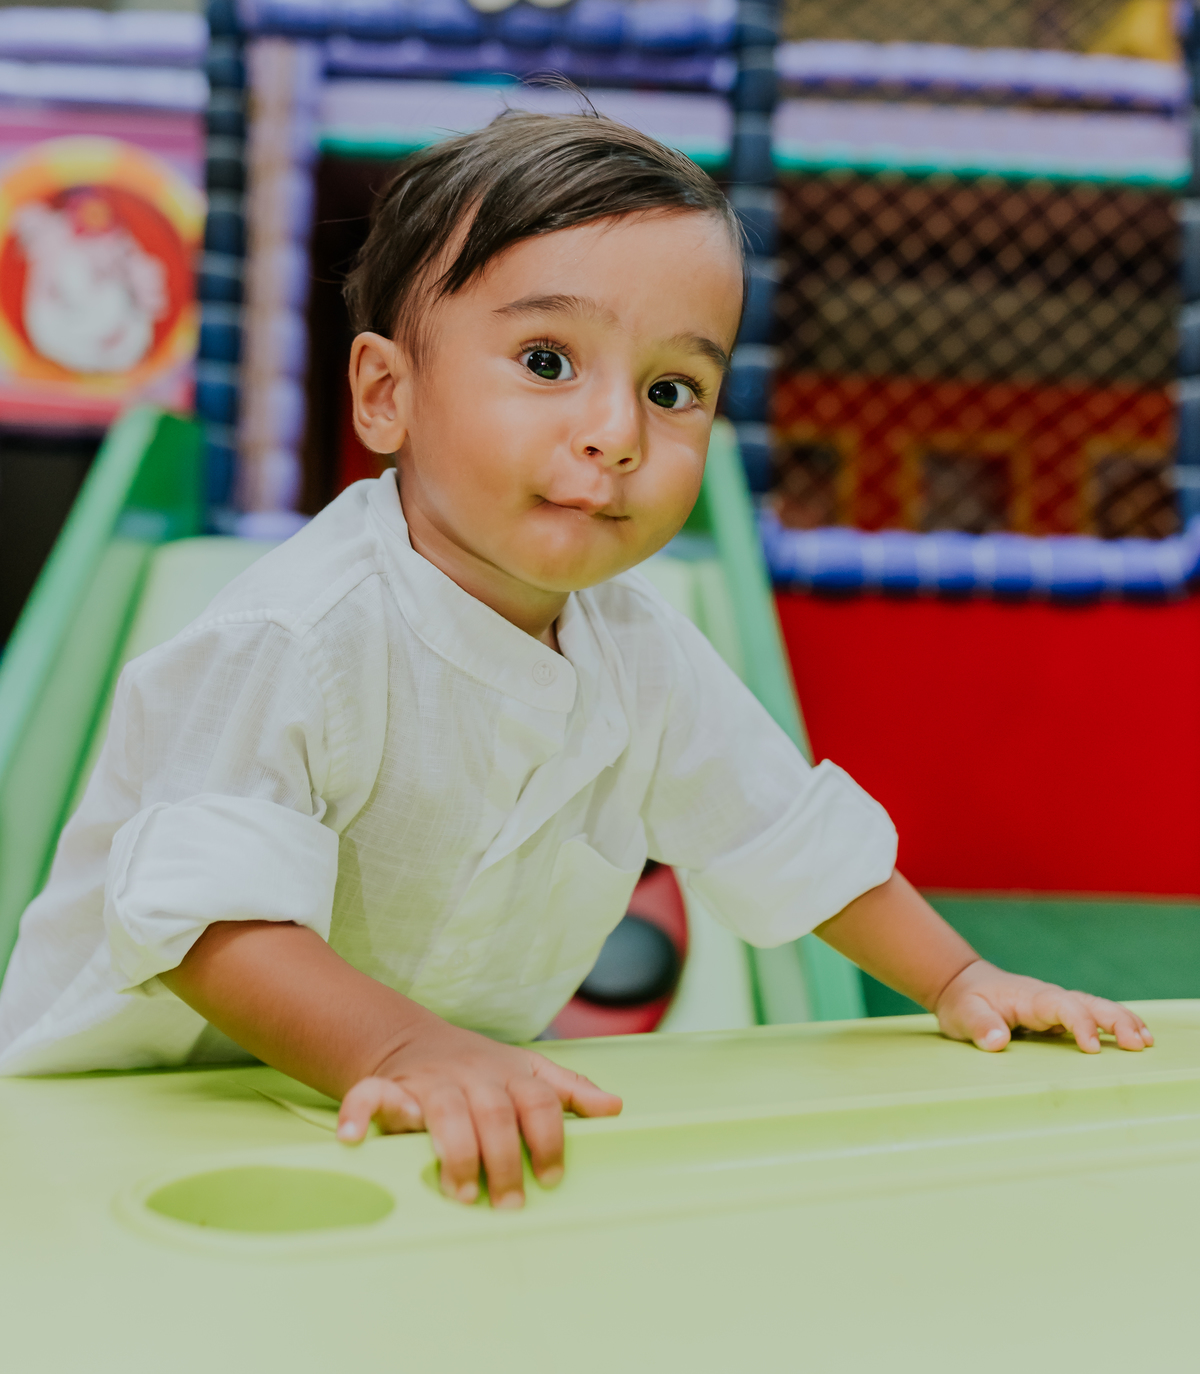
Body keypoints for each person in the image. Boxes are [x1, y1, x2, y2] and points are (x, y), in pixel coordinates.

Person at [0, 109, 1152, 1210]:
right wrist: (410, 1049)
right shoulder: (296, 636)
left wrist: (960, 980)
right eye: (548, 360)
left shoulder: (641, 653)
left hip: (412, 1101)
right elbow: (210, 924)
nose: (618, 430)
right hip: (130, 1118)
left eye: (671, 388)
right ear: (386, 393)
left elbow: (786, 834)